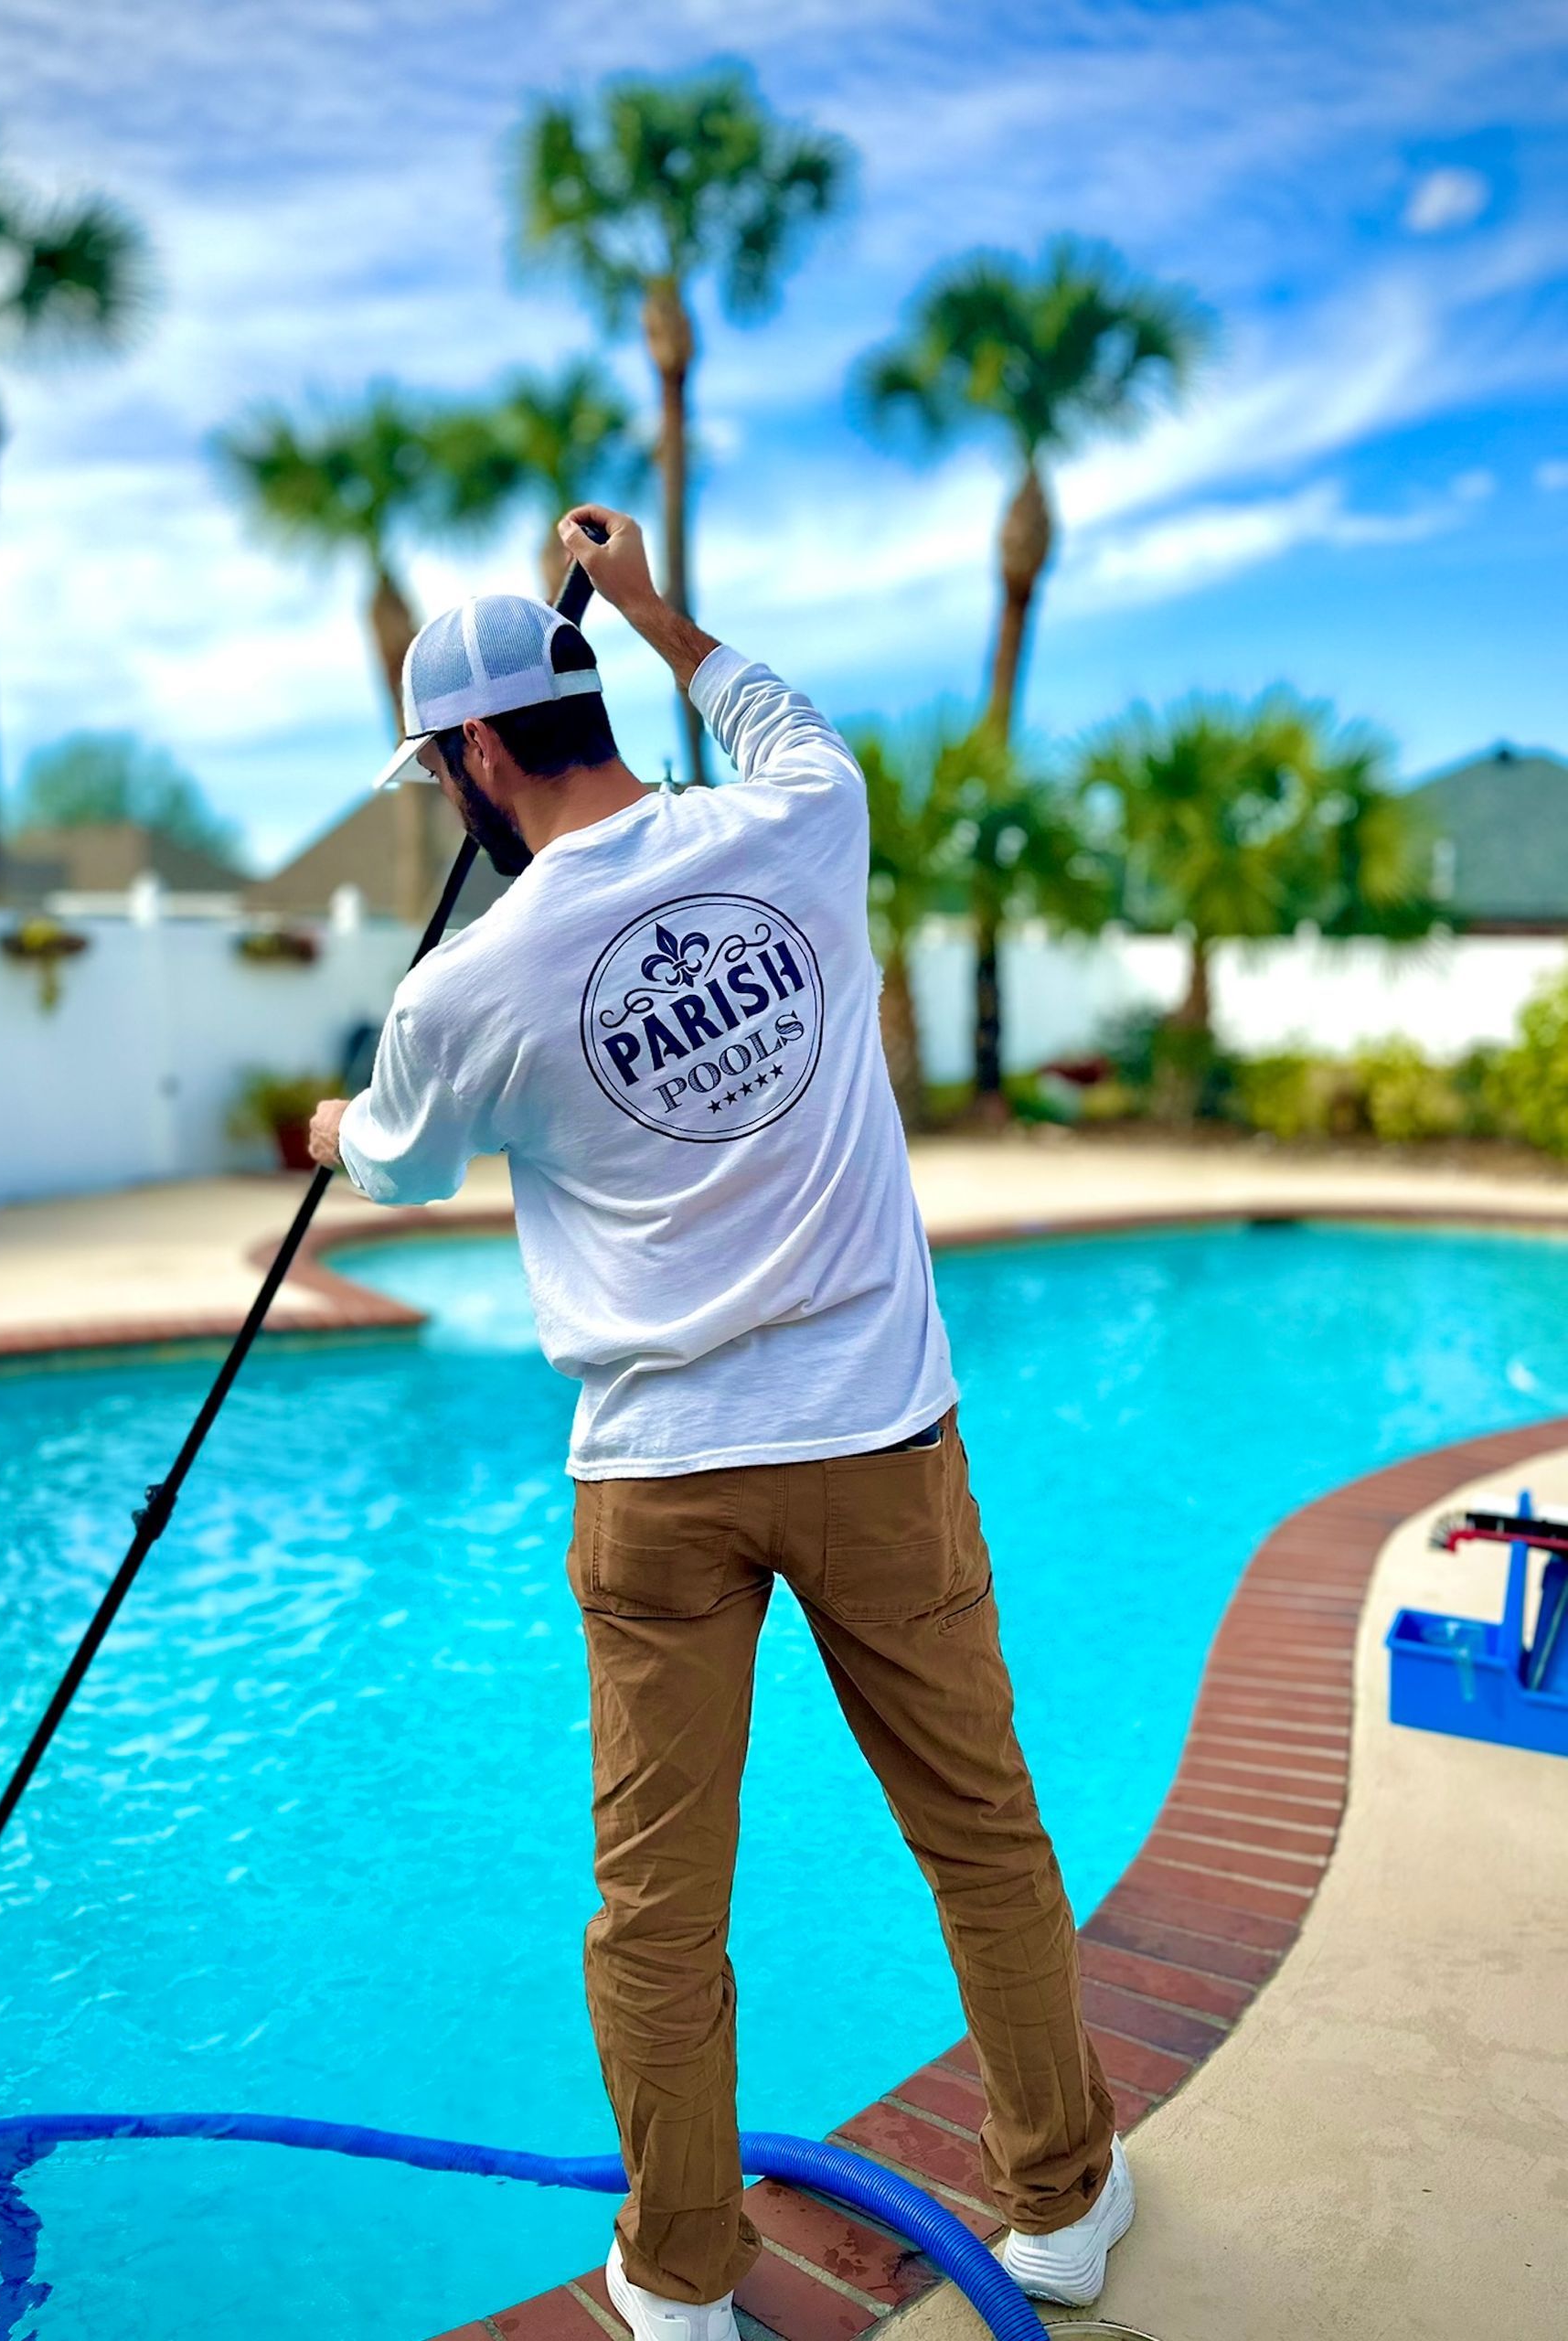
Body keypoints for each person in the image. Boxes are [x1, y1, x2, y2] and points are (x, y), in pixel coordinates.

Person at [308, 506, 1133, 2339]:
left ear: (473, 756)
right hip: (874, 1442)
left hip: (657, 1488)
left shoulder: (466, 988)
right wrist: (672, 613)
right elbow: (792, 724)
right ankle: (1062, 2204)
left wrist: (332, 1134)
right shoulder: (795, 824)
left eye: (446, 766)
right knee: (980, 1829)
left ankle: (679, 2275)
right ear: (588, 697)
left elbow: (400, 1162)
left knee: (658, 1909)